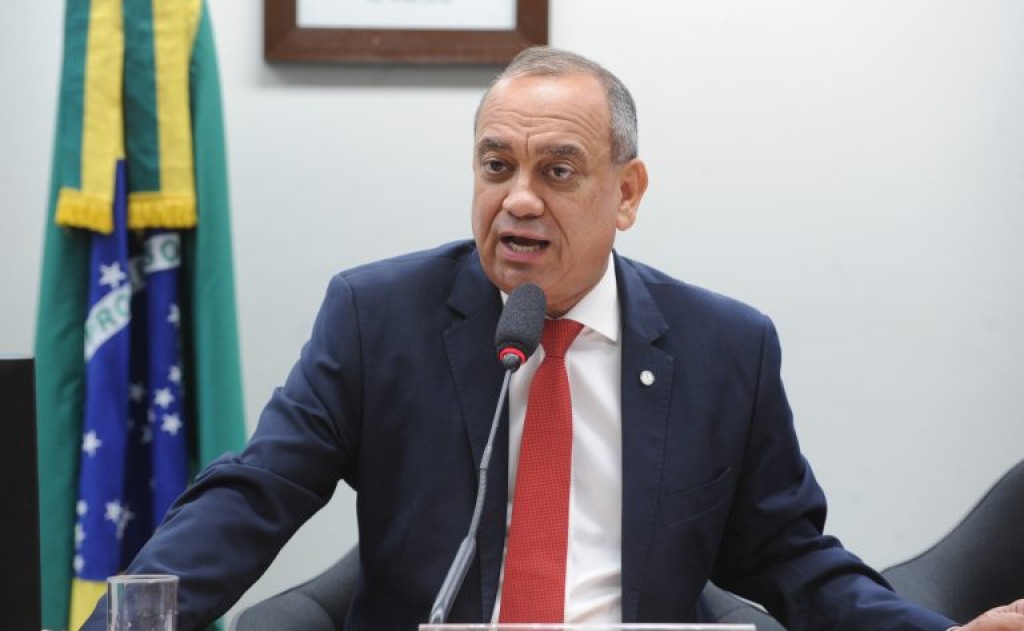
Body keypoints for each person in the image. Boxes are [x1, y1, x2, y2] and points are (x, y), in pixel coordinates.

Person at [83, 46, 1024, 631]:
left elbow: (789, 555)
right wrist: (129, 622)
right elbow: (255, 492)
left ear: (627, 193)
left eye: (558, 171)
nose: (519, 198)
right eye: (497, 165)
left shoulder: (725, 348)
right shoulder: (379, 317)